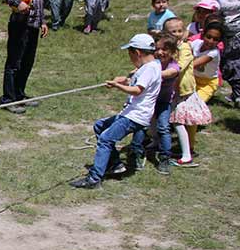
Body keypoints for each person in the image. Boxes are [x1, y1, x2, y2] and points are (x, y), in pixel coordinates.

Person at [70, 34, 161, 189]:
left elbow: (137, 90)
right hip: (131, 113)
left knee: (105, 139)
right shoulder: (151, 66)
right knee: (100, 126)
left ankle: (94, 179)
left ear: (137, 52)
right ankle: (116, 164)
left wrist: (118, 86)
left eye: (130, 53)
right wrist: (124, 80)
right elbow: (138, 83)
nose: (130, 57)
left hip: (136, 116)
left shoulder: (150, 69)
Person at [0, 0, 52, 113]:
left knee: (27, 62)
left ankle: (19, 95)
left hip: (34, 24)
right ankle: (8, 99)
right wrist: (18, 2)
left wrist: (43, 21)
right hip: (20, 25)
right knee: (14, 62)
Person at [132, 34, 178, 174]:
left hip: (163, 102)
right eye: (157, 49)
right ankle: (136, 154)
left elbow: (166, 74)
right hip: (148, 101)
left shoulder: (173, 66)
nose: (160, 52)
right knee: (140, 125)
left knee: (163, 127)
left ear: (173, 52)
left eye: (165, 49)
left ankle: (165, 157)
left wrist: (145, 72)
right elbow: (137, 71)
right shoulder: (152, 64)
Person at [162, 17, 196, 170]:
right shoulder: (169, 47)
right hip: (173, 90)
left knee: (178, 122)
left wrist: (159, 73)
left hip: (183, 90)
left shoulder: (185, 48)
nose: (176, 34)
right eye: (172, 31)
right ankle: (157, 141)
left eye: (179, 31)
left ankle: (187, 155)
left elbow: (179, 67)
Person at [191, 19, 224, 105]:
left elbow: (193, 64)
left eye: (215, 39)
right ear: (203, 35)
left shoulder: (213, 53)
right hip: (193, 79)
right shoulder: (196, 43)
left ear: (219, 41)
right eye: (208, 37)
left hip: (208, 83)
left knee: (195, 104)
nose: (210, 41)